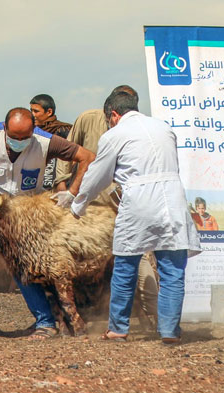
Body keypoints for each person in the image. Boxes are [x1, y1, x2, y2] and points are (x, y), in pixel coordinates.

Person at [69, 88, 201, 344]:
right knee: (172, 269)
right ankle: (170, 330)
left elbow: (98, 175)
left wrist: (78, 204)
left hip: (139, 201)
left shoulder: (114, 135)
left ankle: (118, 328)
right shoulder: (164, 128)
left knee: (126, 266)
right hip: (172, 200)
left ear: (114, 115)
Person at [0, 107, 95, 339]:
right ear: (5, 129)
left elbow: (87, 157)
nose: (20, 142)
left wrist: (72, 192)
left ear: (34, 130)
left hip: (25, 217)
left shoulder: (46, 142)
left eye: (26, 138)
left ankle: (45, 322)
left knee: (24, 268)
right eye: (15, 138)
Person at [55, 85, 159, 329]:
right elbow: (67, 151)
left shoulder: (137, 130)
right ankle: (78, 319)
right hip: (89, 212)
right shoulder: (88, 120)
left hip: (122, 211)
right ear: (112, 110)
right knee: (80, 267)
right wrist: (62, 186)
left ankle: (153, 317)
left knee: (133, 267)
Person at [29, 94, 72, 190]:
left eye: (36, 111)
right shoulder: (32, 132)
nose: (32, 115)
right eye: (31, 111)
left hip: (61, 184)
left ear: (49, 112)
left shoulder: (63, 130)